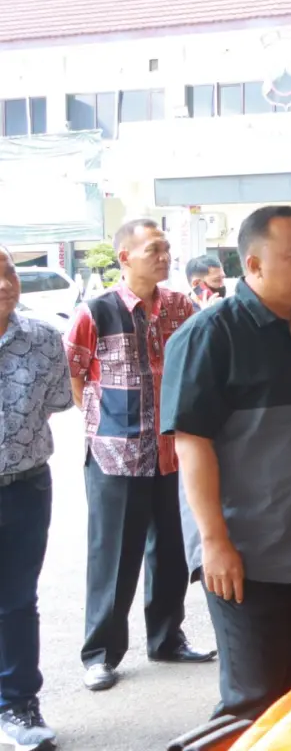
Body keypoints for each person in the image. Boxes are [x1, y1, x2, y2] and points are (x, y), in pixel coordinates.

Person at [160, 206, 291, 722]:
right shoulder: (211, 335)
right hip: (246, 558)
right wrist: (214, 542)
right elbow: (192, 444)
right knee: (252, 701)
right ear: (252, 265)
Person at [64, 218, 214, 694]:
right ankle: (100, 654)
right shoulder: (96, 311)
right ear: (125, 256)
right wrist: (103, 424)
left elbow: (196, 364)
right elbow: (75, 377)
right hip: (116, 455)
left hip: (172, 450)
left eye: (167, 249)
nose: (164, 256)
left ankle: (167, 638)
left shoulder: (180, 306)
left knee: (170, 553)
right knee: (114, 558)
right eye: (153, 249)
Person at [0, 246, 73, 751]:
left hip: (25, 487)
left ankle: (18, 704)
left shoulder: (44, 338)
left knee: (16, 602)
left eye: (7, 272)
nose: (6, 283)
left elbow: (56, 403)